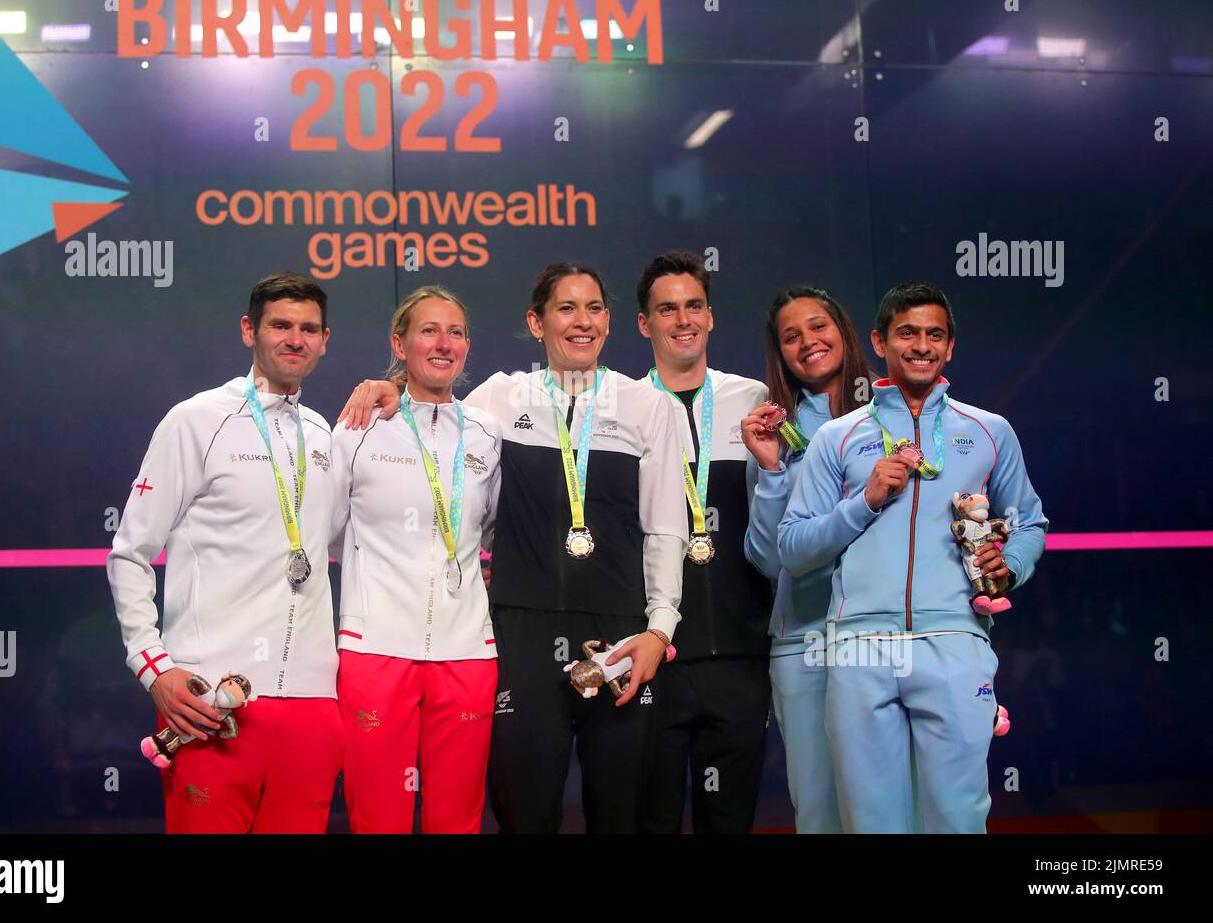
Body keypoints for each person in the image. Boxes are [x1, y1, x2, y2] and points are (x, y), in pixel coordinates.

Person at [339, 262, 686, 833]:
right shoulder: (500, 399)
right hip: (521, 636)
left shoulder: (648, 407)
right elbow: (437, 419)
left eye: (595, 308)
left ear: (609, 320)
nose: (582, 322)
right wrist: (392, 386)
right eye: (566, 309)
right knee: (525, 812)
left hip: (620, 632)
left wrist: (659, 629)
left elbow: (666, 527)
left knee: (621, 813)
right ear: (537, 321)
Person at [777, 280, 1048, 833]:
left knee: (956, 819)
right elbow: (794, 548)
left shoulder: (990, 431)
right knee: (871, 823)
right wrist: (865, 502)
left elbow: (1030, 524)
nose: (920, 345)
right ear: (880, 341)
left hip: (954, 641)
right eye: (907, 333)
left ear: (950, 348)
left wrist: (1011, 565)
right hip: (858, 647)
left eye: (934, 335)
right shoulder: (837, 437)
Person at [108, 272, 344, 833]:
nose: (295, 339)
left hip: (312, 702)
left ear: (325, 340)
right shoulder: (195, 421)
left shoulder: (323, 434)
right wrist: (154, 668)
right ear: (249, 331)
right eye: (280, 325)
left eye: (309, 328)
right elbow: (129, 553)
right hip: (213, 700)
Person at [331, 286, 502, 833]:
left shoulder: (487, 433)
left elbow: (492, 529)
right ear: (399, 345)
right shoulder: (359, 427)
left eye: (454, 333)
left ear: (468, 346)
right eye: (428, 330)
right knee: (379, 817)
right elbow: (327, 532)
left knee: (457, 819)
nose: (443, 343)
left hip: (467, 651)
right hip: (376, 649)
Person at [632, 250, 772, 834]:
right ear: (645, 324)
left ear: (711, 317)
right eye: (667, 309)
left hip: (741, 654)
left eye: (693, 306)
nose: (682, 319)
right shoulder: (622, 410)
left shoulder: (754, 399)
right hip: (657, 656)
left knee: (729, 819)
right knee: (651, 820)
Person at [741, 285, 876, 834]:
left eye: (818, 326)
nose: (808, 342)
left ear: (843, 330)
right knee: (819, 812)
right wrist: (773, 471)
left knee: (888, 808)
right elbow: (770, 561)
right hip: (804, 640)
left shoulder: (894, 417)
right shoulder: (778, 435)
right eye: (791, 336)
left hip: (884, 638)